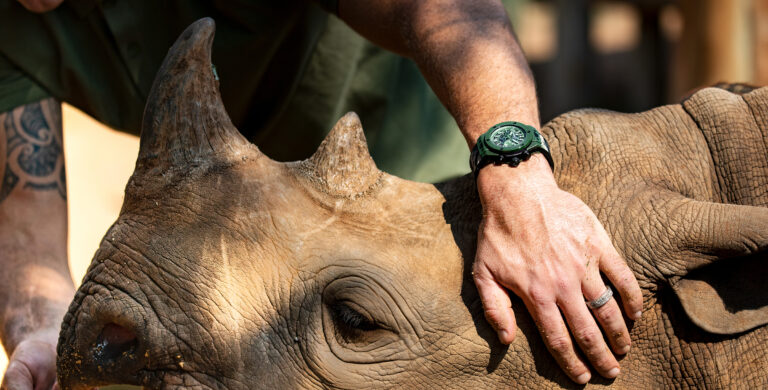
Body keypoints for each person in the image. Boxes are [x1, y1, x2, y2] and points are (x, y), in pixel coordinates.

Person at [0, 0, 643, 388]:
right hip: (257, 235)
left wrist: (514, 167)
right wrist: (39, 331)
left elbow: (449, 12)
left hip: (416, 154)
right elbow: (25, 204)